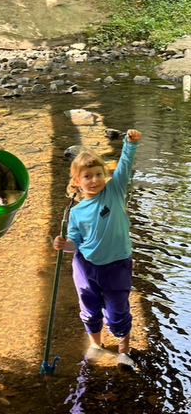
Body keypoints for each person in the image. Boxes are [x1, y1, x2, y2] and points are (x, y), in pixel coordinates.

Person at [53, 129, 141, 367]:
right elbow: (74, 243)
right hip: (85, 267)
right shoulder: (75, 212)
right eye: (88, 176)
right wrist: (64, 245)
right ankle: (96, 345)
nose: (94, 180)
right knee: (90, 310)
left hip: (117, 265)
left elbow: (124, 166)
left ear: (106, 175)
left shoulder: (114, 191)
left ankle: (124, 351)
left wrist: (129, 144)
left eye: (99, 174)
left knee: (117, 312)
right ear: (76, 182)